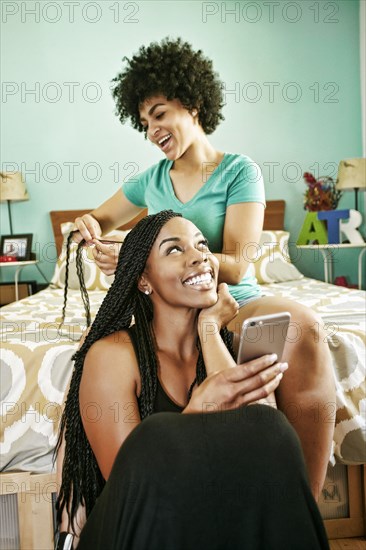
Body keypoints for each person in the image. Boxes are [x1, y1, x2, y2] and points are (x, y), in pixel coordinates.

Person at [72, 37, 335, 500]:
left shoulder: (238, 171)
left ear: (192, 103)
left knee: (305, 328)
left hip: (233, 301)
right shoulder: (147, 181)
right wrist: (94, 232)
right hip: (169, 308)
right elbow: (98, 218)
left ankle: (306, 507)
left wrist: (182, 257)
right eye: (143, 123)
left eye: (159, 114)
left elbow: (239, 263)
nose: (151, 130)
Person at [56, 210, 329, 550]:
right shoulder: (112, 355)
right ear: (144, 280)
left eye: (202, 245)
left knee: (271, 428)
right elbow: (130, 486)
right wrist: (201, 409)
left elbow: (262, 455)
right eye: (174, 249)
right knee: (154, 436)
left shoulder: (227, 343)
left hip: (209, 524)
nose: (200, 256)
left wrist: (210, 330)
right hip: (136, 531)